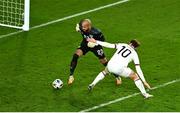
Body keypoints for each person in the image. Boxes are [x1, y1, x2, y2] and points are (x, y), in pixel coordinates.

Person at [87, 38, 153, 99]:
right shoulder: (134, 54)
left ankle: (92, 84)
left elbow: (109, 45)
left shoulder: (123, 45)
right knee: (135, 76)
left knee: (105, 72)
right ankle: (145, 94)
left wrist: (96, 41)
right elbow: (138, 68)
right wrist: (144, 81)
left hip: (110, 64)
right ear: (136, 47)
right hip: (119, 69)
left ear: (130, 43)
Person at [68, 19, 121, 85]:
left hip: (96, 46)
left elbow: (103, 41)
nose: (83, 28)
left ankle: (117, 76)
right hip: (85, 44)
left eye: (84, 27)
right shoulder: (81, 28)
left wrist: (95, 43)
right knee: (75, 55)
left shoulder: (97, 32)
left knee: (104, 62)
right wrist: (79, 29)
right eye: (82, 27)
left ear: (89, 26)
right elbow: (81, 30)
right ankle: (71, 76)